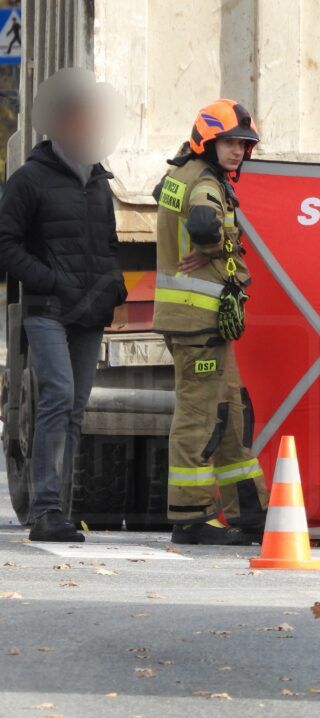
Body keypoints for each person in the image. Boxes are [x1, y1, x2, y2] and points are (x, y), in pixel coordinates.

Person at [0, 68, 127, 542]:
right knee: (56, 396)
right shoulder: (30, 179)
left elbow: (108, 243)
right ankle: (47, 510)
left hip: (90, 311)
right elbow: (5, 244)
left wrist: (114, 287)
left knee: (74, 406)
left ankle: (58, 511)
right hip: (47, 309)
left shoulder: (99, 182)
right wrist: (50, 281)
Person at [153, 99, 268, 545]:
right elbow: (203, 224)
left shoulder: (180, 174)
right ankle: (190, 518)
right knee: (200, 417)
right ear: (207, 141)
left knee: (231, 412)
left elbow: (166, 201)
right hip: (196, 322)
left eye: (243, 144)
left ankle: (250, 512)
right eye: (229, 142)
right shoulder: (204, 182)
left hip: (200, 324)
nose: (238, 151)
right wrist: (219, 247)